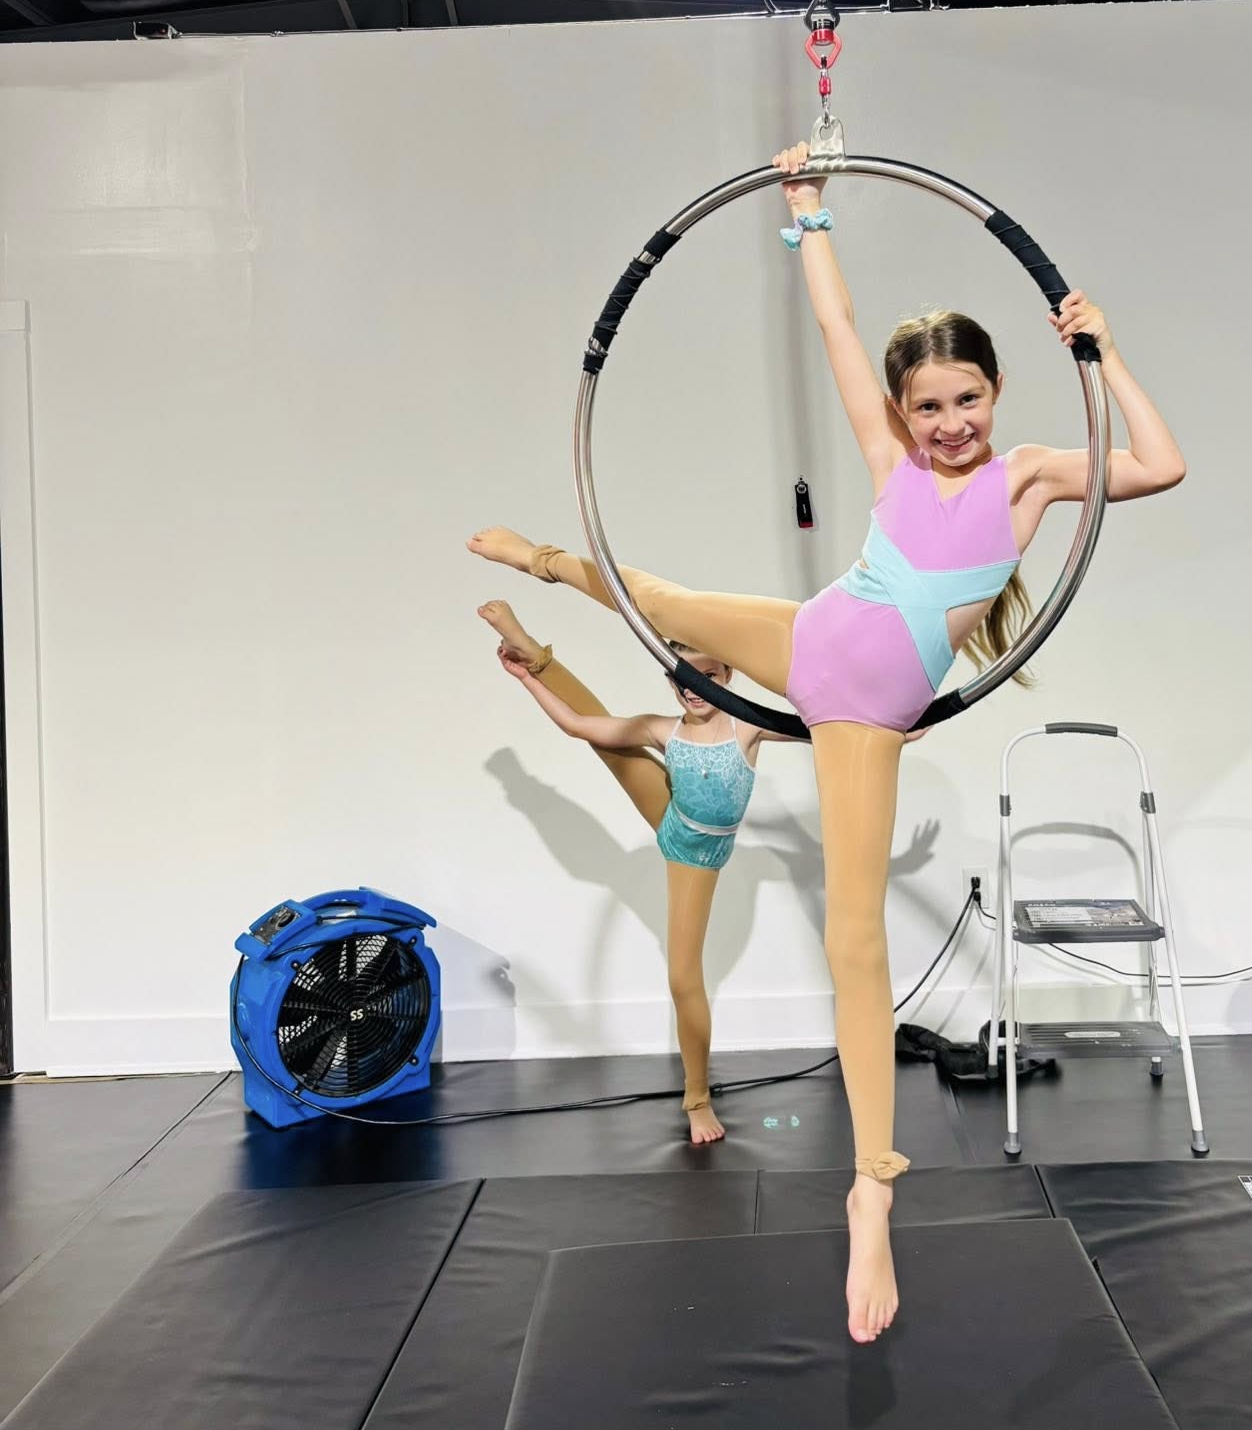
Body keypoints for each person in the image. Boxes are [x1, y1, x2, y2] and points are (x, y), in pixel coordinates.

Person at [469, 142, 1185, 1343]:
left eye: (967, 400)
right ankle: (545, 559)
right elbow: (841, 329)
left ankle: (871, 1186)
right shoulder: (887, 454)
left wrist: (1101, 349)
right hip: (812, 637)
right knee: (659, 594)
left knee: (854, 937)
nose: (949, 423)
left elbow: (1159, 464)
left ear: (995, 396)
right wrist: (807, 213)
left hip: (869, 708)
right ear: (905, 412)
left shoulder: (1034, 475)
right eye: (929, 406)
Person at [478, 597, 778, 1147]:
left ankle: (699, 1096)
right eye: (683, 678)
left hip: (697, 855)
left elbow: (827, 727)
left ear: (728, 674)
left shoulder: (750, 728)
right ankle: (531, 648)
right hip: (671, 818)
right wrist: (526, 678)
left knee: (683, 976)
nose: (694, 688)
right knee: (604, 741)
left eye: (707, 676)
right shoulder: (664, 728)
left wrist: (899, 727)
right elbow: (576, 724)